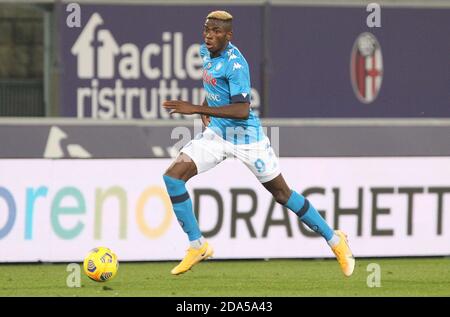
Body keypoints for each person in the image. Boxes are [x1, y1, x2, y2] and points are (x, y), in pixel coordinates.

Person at [162, 10, 355, 276]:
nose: (209, 35)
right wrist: (207, 106)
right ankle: (197, 245)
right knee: (173, 177)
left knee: (282, 194)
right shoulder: (206, 52)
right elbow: (217, 89)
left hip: (247, 139)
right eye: (207, 29)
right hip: (217, 135)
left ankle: (335, 240)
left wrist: (194, 108)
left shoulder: (236, 64)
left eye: (216, 31)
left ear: (229, 36)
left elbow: (241, 109)